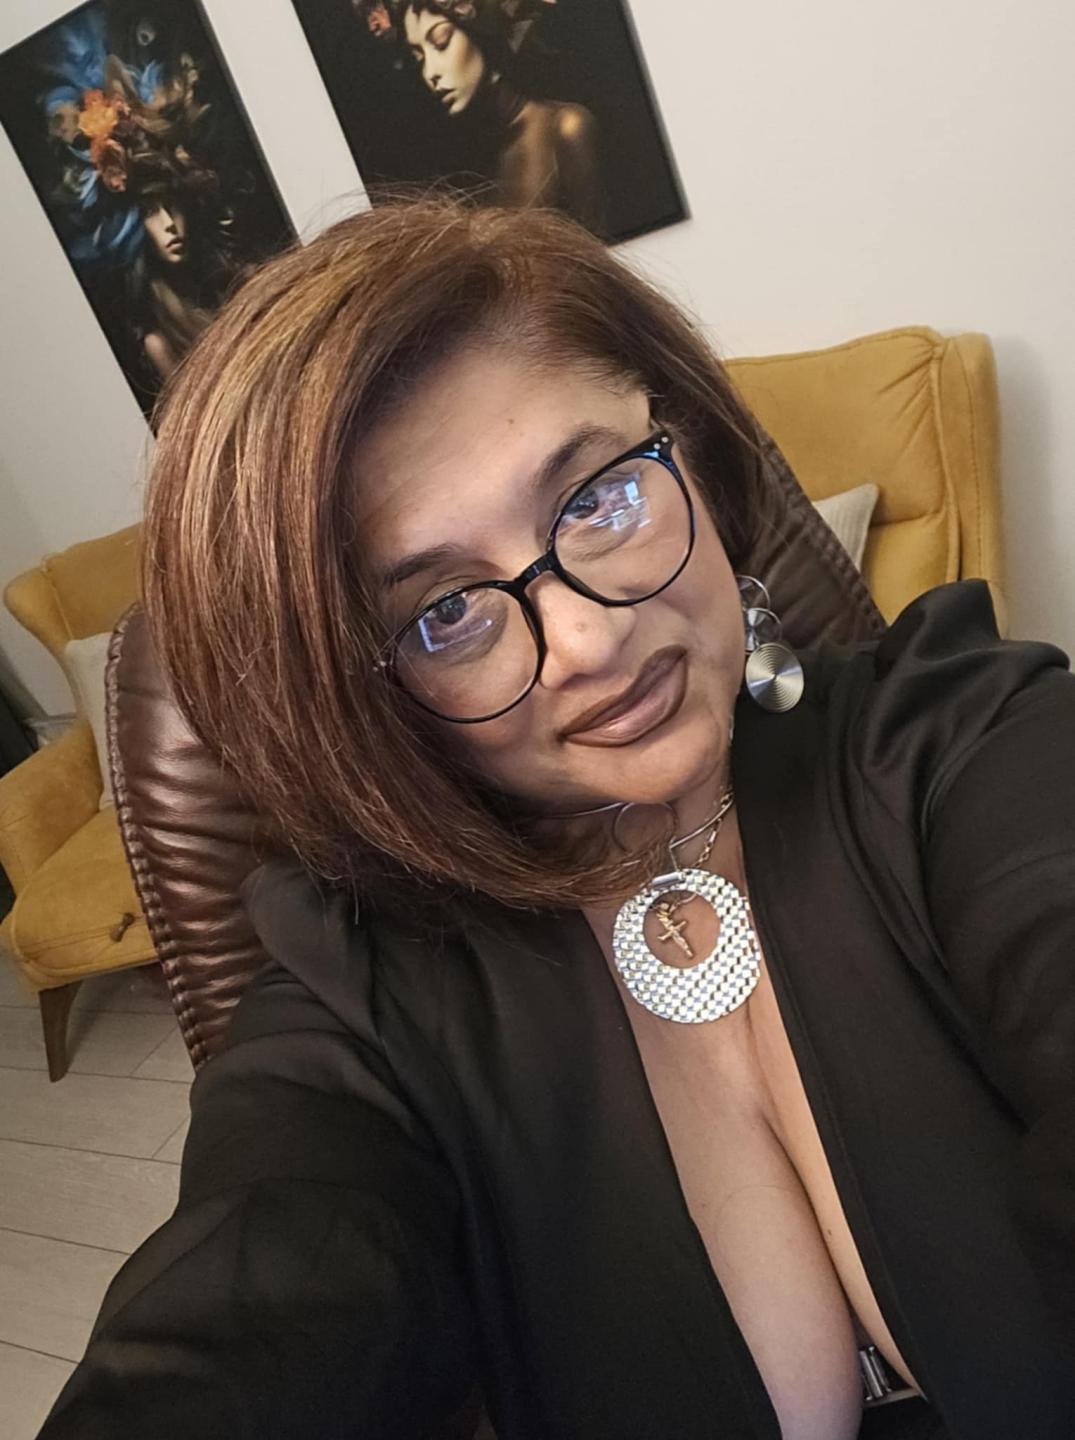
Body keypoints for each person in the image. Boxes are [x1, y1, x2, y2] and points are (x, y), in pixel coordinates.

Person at [36, 198, 1075, 1440]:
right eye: (445, 613)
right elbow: (255, 1297)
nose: (587, 638)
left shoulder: (952, 732)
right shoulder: (360, 994)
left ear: (688, 451)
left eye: (593, 498)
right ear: (370, 702)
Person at [398, 0, 606, 232]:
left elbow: (603, 247)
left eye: (441, 43)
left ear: (482, 32)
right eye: (419, 58)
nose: (430, 73)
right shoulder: (465, 160)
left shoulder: (566, 128)